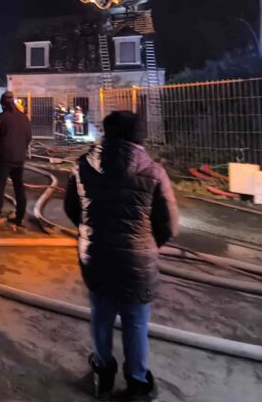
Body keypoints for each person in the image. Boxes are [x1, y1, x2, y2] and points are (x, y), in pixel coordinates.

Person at [64, 111, 179, 401]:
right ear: (140, 136)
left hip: (96, 255)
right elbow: (169, 225)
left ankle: (102, 375)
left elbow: (72, 208)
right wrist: (147, 244)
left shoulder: (83, 166)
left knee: (101, 316)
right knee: (136, 322)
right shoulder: (154, 172)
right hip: (138, 262)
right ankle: (137, 382)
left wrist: (90, 232)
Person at [0, 91, 31, 229]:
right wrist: (21, 150)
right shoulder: (24, 118)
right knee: (19, 187)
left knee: (0, 186)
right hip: (19, 158)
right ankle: (20, 217)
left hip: (3, 158)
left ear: (3, 104)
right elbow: (28, 137)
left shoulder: (1, 118)